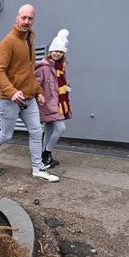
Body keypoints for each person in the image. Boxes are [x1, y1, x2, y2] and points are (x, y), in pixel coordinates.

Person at [0, 4, 59, 182]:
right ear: (17, 18)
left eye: (30, 18)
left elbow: (28, 73)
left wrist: (39, 91)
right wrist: (12, 92)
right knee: (6, 135)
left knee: (36, 132)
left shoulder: (30, 41)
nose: (26, 21)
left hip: (29, 99)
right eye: (23, 17)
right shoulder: (8, 42)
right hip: (9, 99)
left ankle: (37, 168)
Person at [35, 29, 72, 168]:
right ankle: (47, 153)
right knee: (61, 128)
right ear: (50, 51)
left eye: (61, 51)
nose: (57, 53)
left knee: (49, 129)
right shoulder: (43, 67)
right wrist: (39, 96)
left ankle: (45, 156)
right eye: (55, 50)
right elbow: (35, 85)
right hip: (47, 104)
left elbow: (57, 84)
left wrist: (66, 87)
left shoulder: (60, 67)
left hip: (57, 103)